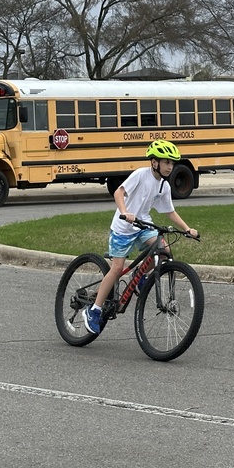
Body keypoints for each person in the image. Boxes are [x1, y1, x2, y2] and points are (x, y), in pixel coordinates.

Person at [83, 139, 198, 335]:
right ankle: (94, 310)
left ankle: (141, 276)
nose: (170, 167)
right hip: (123, 228)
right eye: (166, 162)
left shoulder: (164, 186)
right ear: (154, 162)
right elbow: (119, 192)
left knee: (164, 251)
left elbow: (170, 211)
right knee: (117, 268)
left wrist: (187, 228)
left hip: (143, 225)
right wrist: (124, 211)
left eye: (172, 163)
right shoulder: (140, 175)